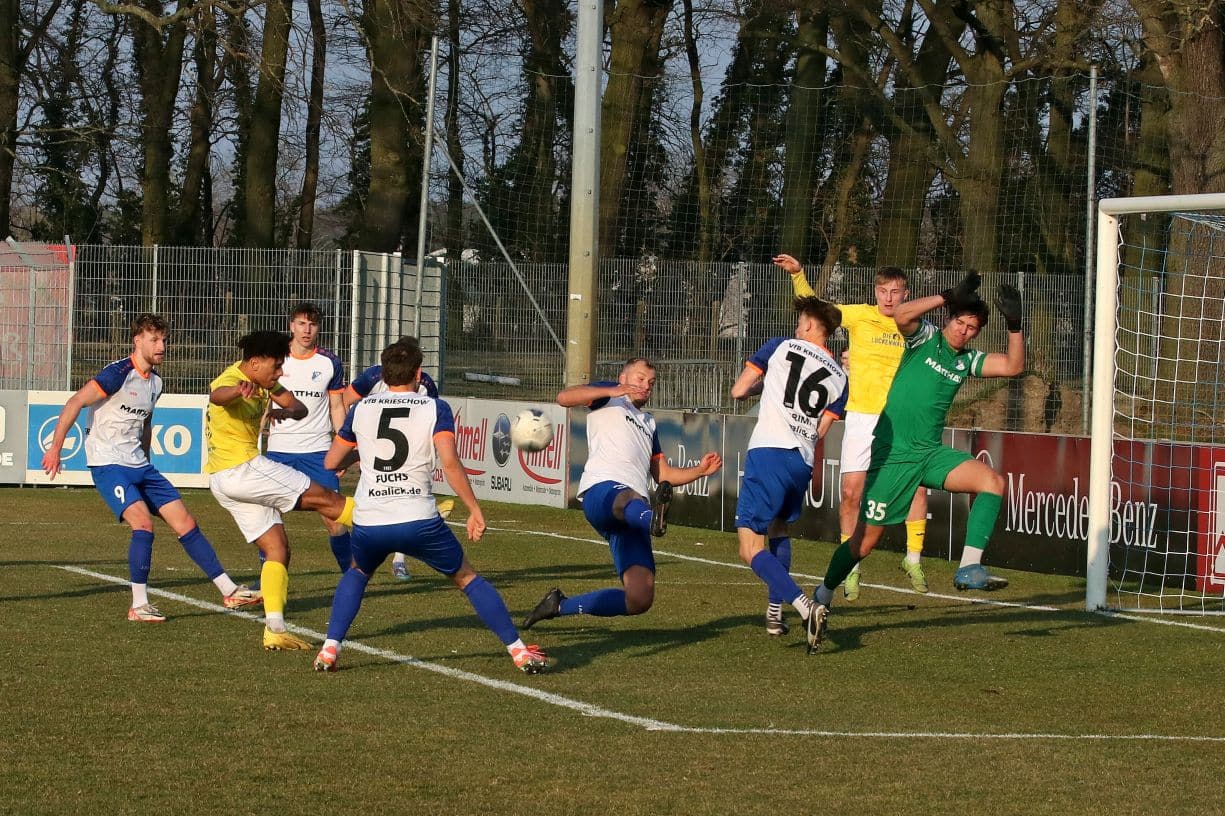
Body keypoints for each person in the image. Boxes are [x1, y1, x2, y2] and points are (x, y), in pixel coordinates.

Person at [810, 274, 1026, 649]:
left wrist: (1015, 326)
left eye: (971, 328)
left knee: (994, 482)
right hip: (892, 456)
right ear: (948, 320)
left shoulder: (967, 361)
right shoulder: (924, 338)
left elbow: (1012, 367)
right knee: (864, 543)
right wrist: (946, 296)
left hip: (929, 454)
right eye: (960, 322)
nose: (963, 331)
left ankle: (968, 568)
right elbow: (902, 315)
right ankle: (822, 596)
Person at [313, 342, 549, 674]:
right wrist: (474, 509)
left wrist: (360, 453)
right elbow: (450, 463)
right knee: (467, 578)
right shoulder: (433, 407)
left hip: (371, 519)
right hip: (418, 517)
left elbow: (332, 460)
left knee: (357, 572)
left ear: (382, 373)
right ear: (419, 374)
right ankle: (519, 651)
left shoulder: (361, 409)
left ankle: (329, 649)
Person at [40, 314, 261, 621]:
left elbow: (145, 423)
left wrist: (145, 458)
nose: (161, 346)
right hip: (108, 464)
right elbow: (75, 402)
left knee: (185, 520)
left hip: (139, 465)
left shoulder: (156, 383)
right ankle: (139, 605)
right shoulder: (117, 374)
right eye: (154, 340)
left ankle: (228, 590)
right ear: (138, 341)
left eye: (164, 340)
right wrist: (55, 448)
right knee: (143, 524)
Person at [521, 358, 723, 630]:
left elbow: (662, 475)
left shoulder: (648, 423)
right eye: (639, 379)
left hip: (632, 515)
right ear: (622, 377)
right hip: (604, 492)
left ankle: (559, 605)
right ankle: (652, 518)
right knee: (629, 498)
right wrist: (613, 390)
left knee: (640, 598)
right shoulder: (609, 397)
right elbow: (564, 397)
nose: (645, 386)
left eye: (650, 383)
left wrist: (698, 471)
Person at [776, 254, 929, 603]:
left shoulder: (914, 326)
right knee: (851, 493)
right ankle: (851, 566)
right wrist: (799, 274)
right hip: (861, 415)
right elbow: (817, 308)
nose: (889, 298)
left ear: (906, 294)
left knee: (917, 488)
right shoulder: (860, 315)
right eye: (883, 291)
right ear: (875, 292)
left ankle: (913, 559)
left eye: (896, 291)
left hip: (900, 419)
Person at [206, 330, 354, 651]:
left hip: (223, 481)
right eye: (275, 366)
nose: (280, 371)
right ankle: (397, 520)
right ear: (255, 362)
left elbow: (299, 408)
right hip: (243, 469)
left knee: (278, 549)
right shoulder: (231, 378)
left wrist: (278, 404)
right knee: (328, 500)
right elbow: (217, 396)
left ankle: (274, 629)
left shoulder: (266, 382)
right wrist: (239, 391)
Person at [730, 296, 848, 651]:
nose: (797, 326)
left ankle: (804, 606)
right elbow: (823, 428)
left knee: (749, 546)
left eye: (800, 320)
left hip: (769, 451)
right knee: (778, 528)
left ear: (811, 324)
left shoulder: (780, 346)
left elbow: (738, 391)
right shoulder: (842, 378)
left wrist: (760, 386)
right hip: (802, 460)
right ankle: (773, 611)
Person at [344, 336, 451, 582]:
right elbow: (345, 400)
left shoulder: (426, 384)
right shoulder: (373, 377)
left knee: (395, 504)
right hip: (374, 454)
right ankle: (362, 564)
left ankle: (398, 561)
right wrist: (354, 443)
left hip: (408, 458)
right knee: (379, 505)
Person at [263, 302, 351, 573]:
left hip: (318, 452)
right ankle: (268, 577)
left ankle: (352, 575)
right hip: (280, 451)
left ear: (318, 327)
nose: (306, 330)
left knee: (335, 520)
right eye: (301, 323)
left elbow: (337, 406)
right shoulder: (276, 359)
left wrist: (344, 447)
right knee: (268, 519)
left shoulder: (329, 362)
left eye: (312, 324)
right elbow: (264, 400)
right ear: (291, 325)